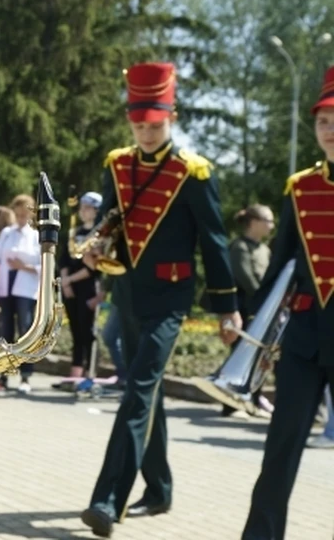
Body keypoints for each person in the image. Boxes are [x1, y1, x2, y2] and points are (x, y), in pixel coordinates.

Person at [81, 62, 240, 538]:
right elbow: (110, 220)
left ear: (170, 118)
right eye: (138, 125)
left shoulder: (193, 173)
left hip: (172, 298)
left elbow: (214, 241)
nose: (146, 133)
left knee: (137, 392)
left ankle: (107, 500)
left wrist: (226, 307)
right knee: (146, 393)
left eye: (155, 124)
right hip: (127, 292)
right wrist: (95, 243)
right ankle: (161, 488)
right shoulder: (116, 163)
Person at [241, 66, 334, 539]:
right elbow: (281, 265)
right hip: (302, 338)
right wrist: (245, 326)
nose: (329, 130)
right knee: (280, 449)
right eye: (322, 121)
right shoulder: (300, 186)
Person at [222, 203, 275, 417]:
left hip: (263, 308)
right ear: (254, 223)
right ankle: (230, 404)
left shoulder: (264, 249)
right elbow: (247, 279)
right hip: (245, 308)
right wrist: (266, 299)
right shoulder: (239, 247)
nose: (272, 225)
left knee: (259, 357)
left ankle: (252, 400)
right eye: (268, 220)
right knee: (239, 355)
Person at [0, 194, 41, 393]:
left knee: (25, 331)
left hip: (25, 289)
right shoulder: (7, 233)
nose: (20, 218)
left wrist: (23, 266)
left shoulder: (36, 236)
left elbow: (43, 265)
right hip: (5, 287)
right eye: (18, 214)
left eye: (24, 214)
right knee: (6, 331)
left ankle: (26, 376)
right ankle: (4, 375)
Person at [60, 191, 103, 381]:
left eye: (88, 208)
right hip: (71, 289)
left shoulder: (99, 235)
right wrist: (65, 282)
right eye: (82, 207)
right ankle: (75, 374)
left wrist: (69, 280)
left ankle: (89, 373)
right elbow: (63, 261)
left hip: (87, 289)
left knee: (87, 332)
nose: (83, 211)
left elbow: (93, 267)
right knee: (76, 332)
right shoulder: (74, 233)